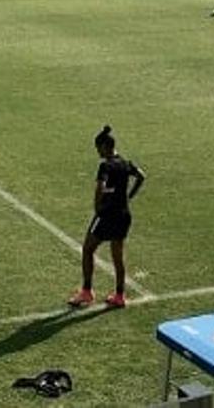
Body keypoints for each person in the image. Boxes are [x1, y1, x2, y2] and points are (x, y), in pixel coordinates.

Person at [68, 125, 146, 309]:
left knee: (88, 249)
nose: (97, 152)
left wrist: (97, 206)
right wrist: (129, 196)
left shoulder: (105, 165)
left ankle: (87, 292)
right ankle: (119, 295)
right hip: (123, 214)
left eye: (98, 148)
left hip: (107, 215)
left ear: (104, 146)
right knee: (118, 256)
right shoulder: (126, 163)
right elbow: (141, 176)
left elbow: (100, 186)